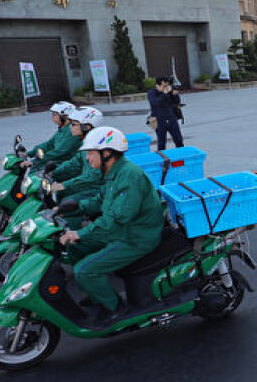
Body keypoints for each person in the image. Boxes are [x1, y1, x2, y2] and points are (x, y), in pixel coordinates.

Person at [58, 126, 165, 322]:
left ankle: (115, 309)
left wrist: (80, 233)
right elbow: (99, 200)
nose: (88, 158)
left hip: (136, 237)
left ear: (106, 153)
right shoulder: (113, 172)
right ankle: (97, 295)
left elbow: (116, 219)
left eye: (90, 152)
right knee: (74, 249)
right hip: (121, 231)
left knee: (85, 270)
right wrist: (68, 209)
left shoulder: (129, 176)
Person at [49, 107, 106, 204]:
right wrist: (53, 173)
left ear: (86, 127)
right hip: (88, 184)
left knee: (66, 202)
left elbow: (93, 176)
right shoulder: (86, 143)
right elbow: (73, 164)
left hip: (98, 189)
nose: (71, 127)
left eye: (74, 125)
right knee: (59, 194)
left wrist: (64, 185)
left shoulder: (97, 147)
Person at [24, 101, 81, 171]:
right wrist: (28, 153)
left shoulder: (72, 131)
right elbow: (48, 144)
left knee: (38, 172)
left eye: (55, 114)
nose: (52, 117)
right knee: (35, 168)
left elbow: (59, 152)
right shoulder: (62, 129)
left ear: (65, 116)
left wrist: (34, 161)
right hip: (58, 161)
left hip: (66, 163)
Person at [148, 76, 183, 150]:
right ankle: (163, 160)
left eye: (167, 86)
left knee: (179, 140)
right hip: (159, 120)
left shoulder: (169, 92)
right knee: (161, 143)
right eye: (164, 86)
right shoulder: (152, 93)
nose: (166, 88)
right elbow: (156, 102)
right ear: (157, 85)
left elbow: (177, 102)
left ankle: (181, 157)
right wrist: (164, 93)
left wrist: (174, 94)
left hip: (172, 119)